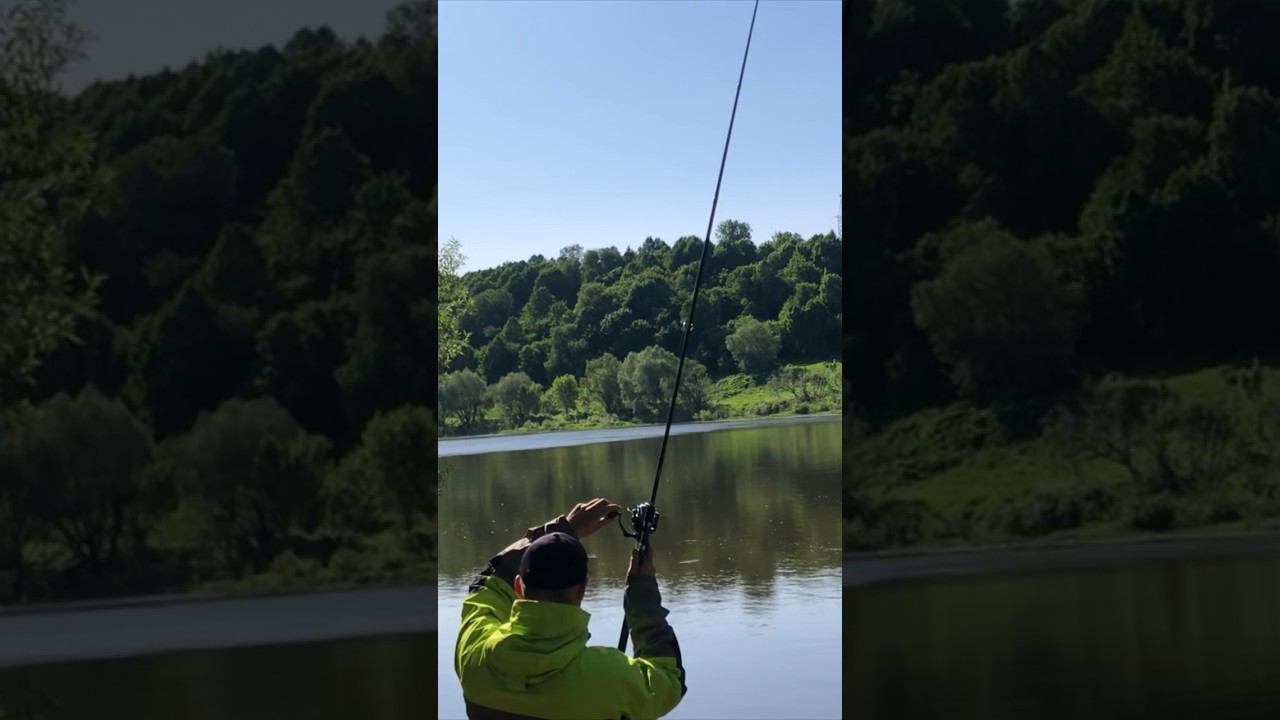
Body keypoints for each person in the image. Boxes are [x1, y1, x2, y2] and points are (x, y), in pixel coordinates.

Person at [455, 497, 687, 720]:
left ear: (518, 585)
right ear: (581, 591)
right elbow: (668, 680)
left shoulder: (474, 654)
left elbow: (486, 584)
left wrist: (563, 529)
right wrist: (641, 592)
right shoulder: (608, 679)